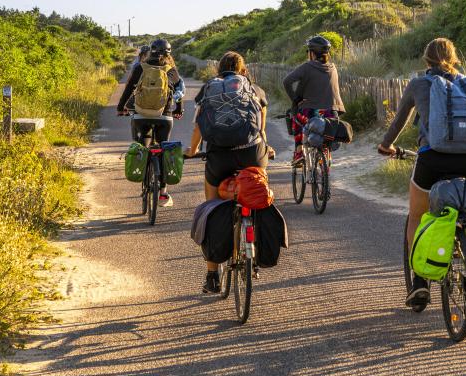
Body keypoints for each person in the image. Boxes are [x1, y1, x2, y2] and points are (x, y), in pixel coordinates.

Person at [377, 37, 466, 310]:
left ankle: (420, 281)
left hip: (432, 159)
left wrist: (386, 146)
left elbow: (399, 120)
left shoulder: (417, 84)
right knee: (465, 211)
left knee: (417, 215)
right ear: (454, 57)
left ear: (426, 60)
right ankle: (465, 252)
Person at [185, 51, 269, 294]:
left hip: (219, 156)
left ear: (218, 71)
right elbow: (262, 113)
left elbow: (199, 124)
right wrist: (263, 140)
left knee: (211, 207)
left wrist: (193, 150)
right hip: (252, 152)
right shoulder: (252, 88)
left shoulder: (209, 89)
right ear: (243, 71)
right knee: (260, 192)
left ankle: (212, 275)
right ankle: (255, 249)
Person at [117, 38, 184, 207]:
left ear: (151, 51)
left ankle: (144, 174)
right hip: (164, 116)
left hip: (141, 115)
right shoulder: (171, 70)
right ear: (169, 53)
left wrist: (121, 107)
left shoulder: (141, 67)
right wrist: (177, 110)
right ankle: (163, 193)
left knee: (143, 147)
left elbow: (129, 88)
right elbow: (179, 92)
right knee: (163, 148)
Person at [282, 36, 345, 164]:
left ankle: (299, 151)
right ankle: (326, 153)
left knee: (296, 116)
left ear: (312, 53)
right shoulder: (333, 68)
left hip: (310, 112)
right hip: (332, 113)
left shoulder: (307, 67)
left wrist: (295, 99)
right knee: (325, 128)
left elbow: (287, 81)